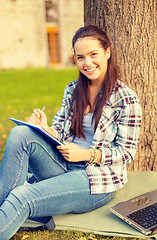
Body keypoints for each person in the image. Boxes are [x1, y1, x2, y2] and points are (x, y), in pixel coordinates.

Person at [0, 25, 142, 239]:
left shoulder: (126, 99)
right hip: (62, 163)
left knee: (23, 196)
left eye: (93, 54)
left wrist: (87, 154)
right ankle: (4, 211)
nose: (87, 63)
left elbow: (126, 152)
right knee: (21, 133)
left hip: (95, 179)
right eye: (80, 57)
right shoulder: (72, 90)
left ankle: (12, 211)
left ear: (107, 52)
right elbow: (60, 131)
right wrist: (45, 128)